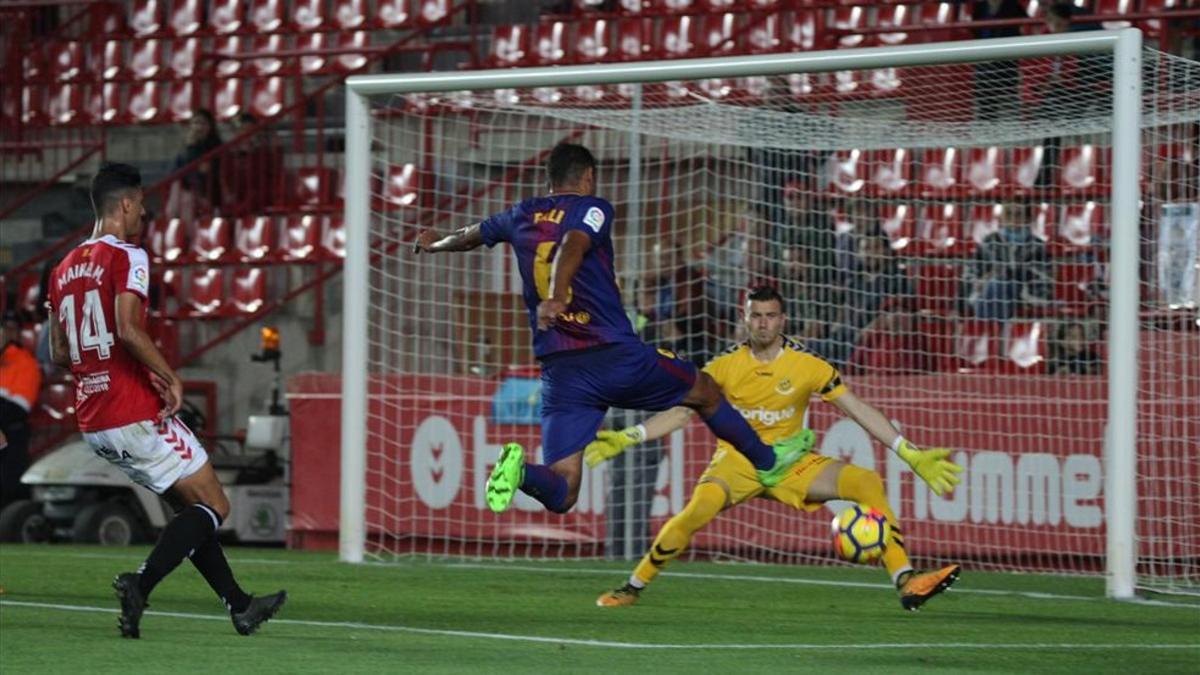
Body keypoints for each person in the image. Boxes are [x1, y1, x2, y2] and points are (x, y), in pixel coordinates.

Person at [414, 143, 813, 515]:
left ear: (549, 178)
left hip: (561, 369)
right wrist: (557, 294)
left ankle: (521, 473)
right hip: (614, 355)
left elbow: (470, 236)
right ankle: (769, 463)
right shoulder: (594, 208)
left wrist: (436, 243)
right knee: (706, 391)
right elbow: (573, 242)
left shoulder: (520, 213)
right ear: (587, 176)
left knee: (564, 490)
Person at [586, 286, 964, 611]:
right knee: (692, 515)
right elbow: (681, 415)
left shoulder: (808, 365)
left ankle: (906, 580)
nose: (763, 323)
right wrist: (628, 436)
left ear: (783, 319)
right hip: (737, 463)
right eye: (756, 316)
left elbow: (857, 408)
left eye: (770, 316)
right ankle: (633, 587)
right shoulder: (724, 366)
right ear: (744, 318)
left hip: (791, 463)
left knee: (866, 482)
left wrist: (908, 451)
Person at [47, 163, 285, 639]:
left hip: (94, 421)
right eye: (141, 206)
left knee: (189, 514)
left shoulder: (61, 268)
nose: (145, 215)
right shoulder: (128, 256)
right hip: (132, 411)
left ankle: (240, 605)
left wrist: (98, 375)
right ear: (127, 204)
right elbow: (128, 329)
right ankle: (141, 583)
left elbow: (57, 352)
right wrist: (168, 377)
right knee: (214, 505)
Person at [0, 310, 42, 511]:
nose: (7, 334)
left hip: (10, 434)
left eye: (11, 330)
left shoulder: (25, 362)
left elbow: (18, 409)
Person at [164, 109, 223, 221]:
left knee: (186, 200)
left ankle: (186, 236)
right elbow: (174, 170)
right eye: (196, 123)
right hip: (188, 188)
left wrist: (192, 148)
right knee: (179, 192)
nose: (199, 127)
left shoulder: (215, 146)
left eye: (203, 123)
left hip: (206, 190)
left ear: (211, 127)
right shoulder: (189, 145)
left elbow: (205, 171)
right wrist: (190, 146)